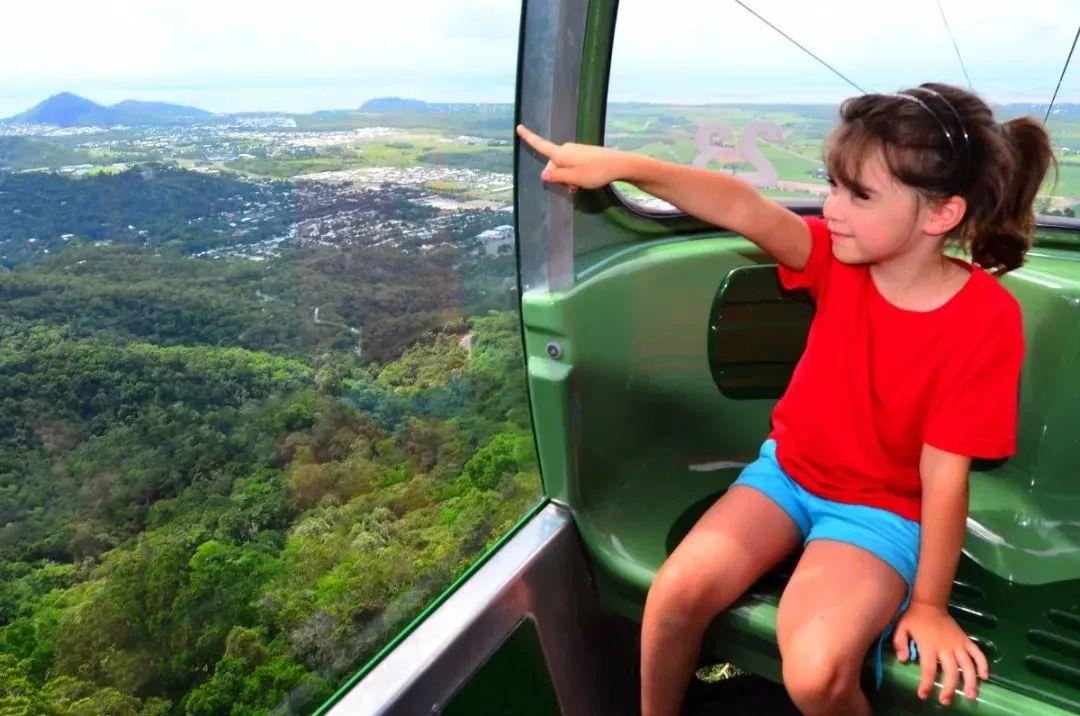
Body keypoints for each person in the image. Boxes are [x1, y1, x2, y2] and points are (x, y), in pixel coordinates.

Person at [516, 82, 1053, 716]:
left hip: (881, 509)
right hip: (789, 473)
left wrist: (929, 607)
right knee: (675, 596)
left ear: (942, 214)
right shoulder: (835, 257)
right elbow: (743, 207)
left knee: (816, 675)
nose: (832, 210)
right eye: (832, 186)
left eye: (859, 195)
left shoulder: (982, 320)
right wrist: (626, 168)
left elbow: (943, 472)